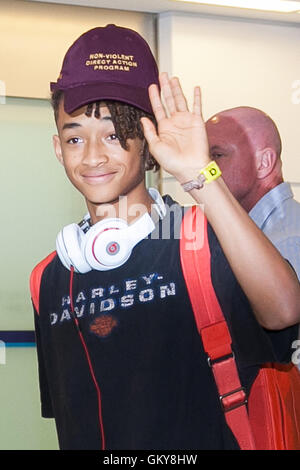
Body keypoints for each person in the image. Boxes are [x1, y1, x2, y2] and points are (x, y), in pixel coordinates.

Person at [30, 25, 300, 450]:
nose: (93, 155)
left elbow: (284, 311)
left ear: (148, 140)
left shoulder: (201, 242)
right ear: (57, 148)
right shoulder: (48, 278)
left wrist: (200, 175)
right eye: (75, 136)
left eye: (116, 134)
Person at [205, 106, 300, 280]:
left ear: (264, 163)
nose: (205, 169)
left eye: (216, 155)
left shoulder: (288, 244)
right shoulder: (266, 235)